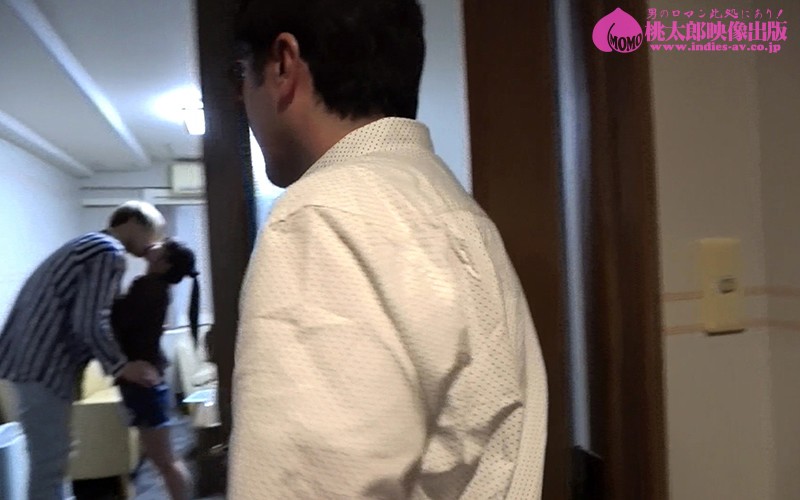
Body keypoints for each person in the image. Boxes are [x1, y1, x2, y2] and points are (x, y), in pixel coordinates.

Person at [229, 0, 548, 498]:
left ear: (283, 65)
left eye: (240, 73)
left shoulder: (322, 216)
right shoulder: (454, 209)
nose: (239, 99)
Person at [0, 200, 165, 500]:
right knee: (50, 463)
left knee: (55, 457)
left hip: (28, 361)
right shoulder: (107, 251)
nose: (152, 244)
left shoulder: (87, 244)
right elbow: (90, 320)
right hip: (43, 366)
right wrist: (121, 366)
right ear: (132, 223)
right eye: (152, 233)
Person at [112, 238, 199, 500]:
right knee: (163, 459)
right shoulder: (155, 288)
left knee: (165, 461)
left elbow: (117, 323)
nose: (154, 243)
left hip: (143, 382)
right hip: (146, 378)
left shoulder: (148, 287)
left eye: (163, 245)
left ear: (165, 263)